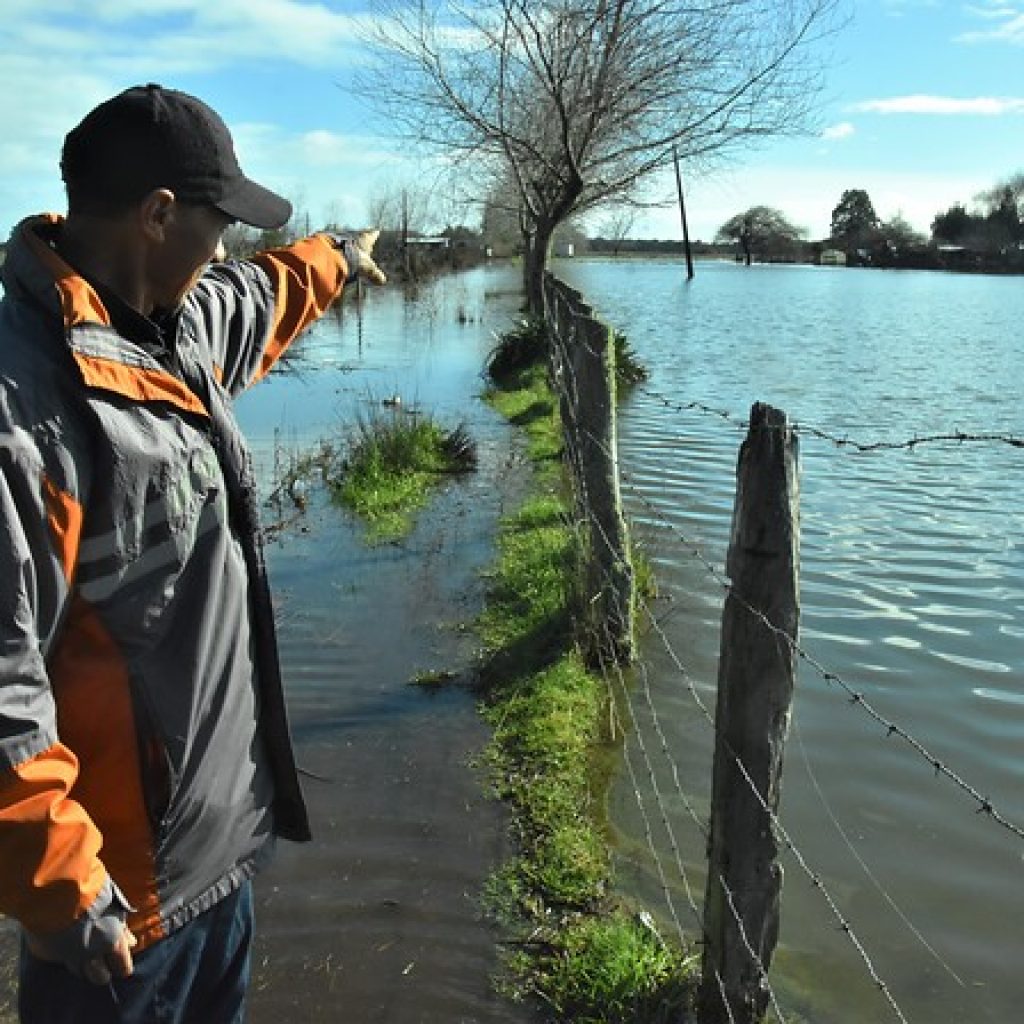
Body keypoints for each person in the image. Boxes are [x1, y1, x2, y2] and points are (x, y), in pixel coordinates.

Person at [0, 83, 385, 1023]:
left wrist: (338, 254)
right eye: (218, 226)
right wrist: (64, 889)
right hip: (117, 916)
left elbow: (262, 294)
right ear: (158, 215)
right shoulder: (24, 411)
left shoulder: (176, 326)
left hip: (219, 867)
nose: (225, 251)